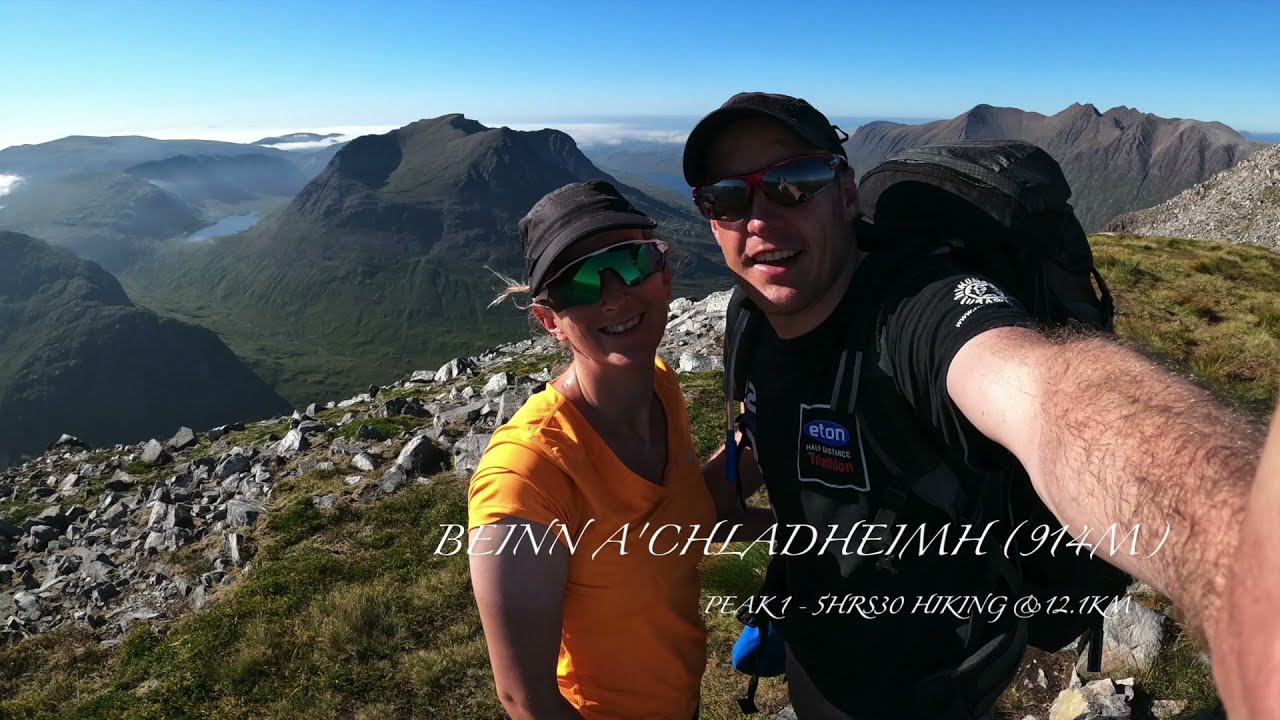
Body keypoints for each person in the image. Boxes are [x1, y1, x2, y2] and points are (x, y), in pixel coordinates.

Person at [683, 92, 1274, 719]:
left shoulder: (919, 311)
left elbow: (1046, 394)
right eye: (727, 197)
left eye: (793, 183)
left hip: (934, 675)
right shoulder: (750, 315)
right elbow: (769, 425)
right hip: (817, 642)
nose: (761, 219)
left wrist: (1245, 560)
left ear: (847, 193)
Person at [467, 180, 758, 720]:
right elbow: (526, 701)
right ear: (549, 319)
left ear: (663, 273)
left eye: (629, 262)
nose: (613, 294)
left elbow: (676, 515)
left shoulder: (662, 387)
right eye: (576, 282)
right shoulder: (525, 479)